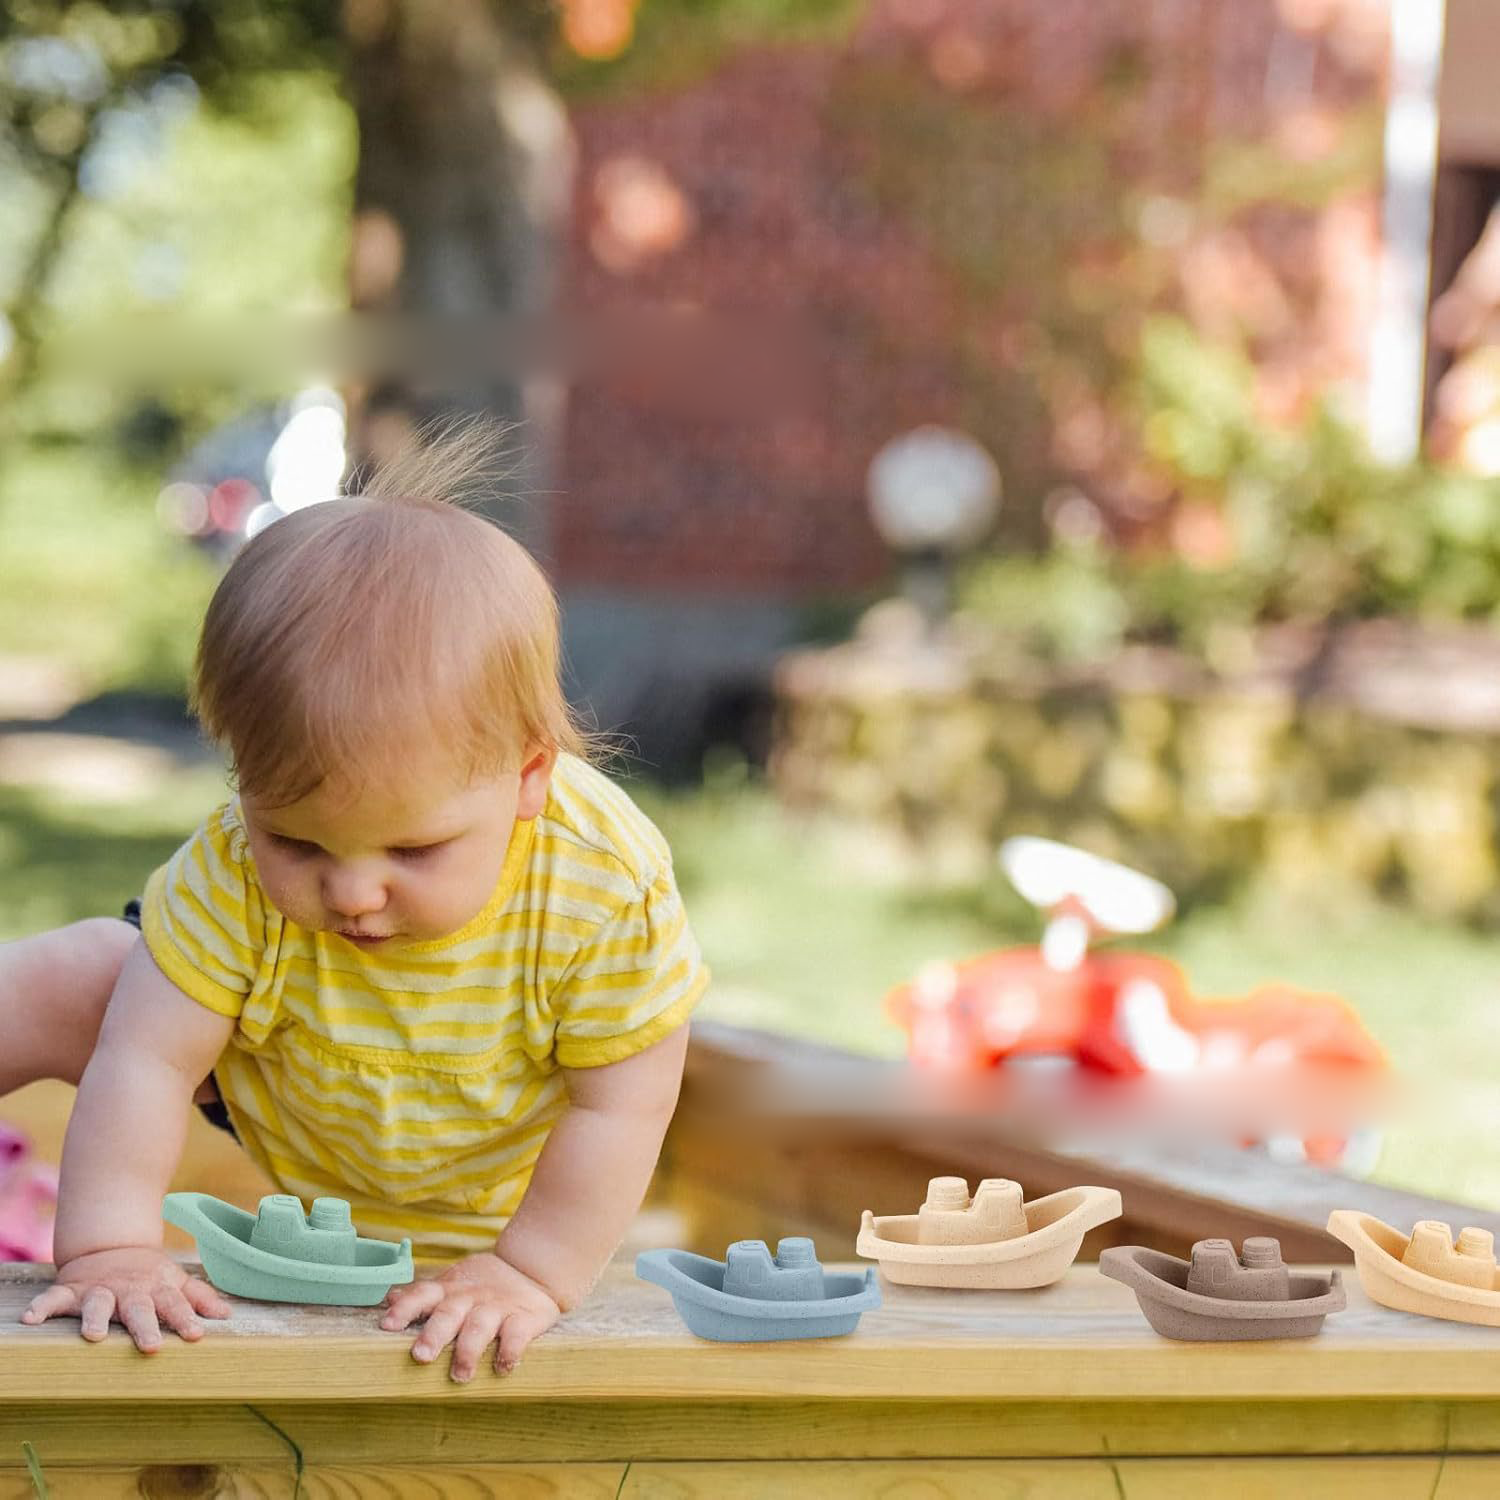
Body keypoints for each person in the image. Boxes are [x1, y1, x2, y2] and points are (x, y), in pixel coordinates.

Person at [0, 426, 708, 1381]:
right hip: (282, 1081)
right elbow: (147, 1060)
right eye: (294, 839)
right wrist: (110, 1249)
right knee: (84, 976)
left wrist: (529, 1272)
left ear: (529, 778)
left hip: (500, 1152)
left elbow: (624, 1105)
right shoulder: (233, 866)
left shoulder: (599, 886)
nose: (352, 891)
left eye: (414, 848)